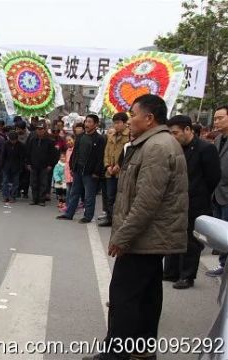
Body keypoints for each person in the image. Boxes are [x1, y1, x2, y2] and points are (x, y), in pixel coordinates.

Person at [84, 94, 188, 360]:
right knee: (147, 296)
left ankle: (115, 353)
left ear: (149, 118)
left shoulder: (156, 147)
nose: (129, 119)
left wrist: (123, 236)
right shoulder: (154, 143)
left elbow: (146, 202)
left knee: (124, 296)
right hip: (151, 237)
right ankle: (142, 350)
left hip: (144, 238)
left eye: (133, 114)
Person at [163, 115, 220, 289]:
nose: (173, 137)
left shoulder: (205, 149)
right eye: (170, 133)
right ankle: (171, 272)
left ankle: (187, 276)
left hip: (196, 202)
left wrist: (198, 193)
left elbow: (213, 177)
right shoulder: (174, 148)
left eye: (176, 133)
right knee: (172, 236)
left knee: (190, 241)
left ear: (188, 130)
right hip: (174, 201)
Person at [58, 114, 105, 223]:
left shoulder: (99, 139)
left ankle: (87, 216)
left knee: (89, 195)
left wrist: (96, 172)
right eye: (86, 122)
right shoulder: (80, 137)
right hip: (78, 170)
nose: (87, 124)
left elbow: (100, 157)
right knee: (74, 193)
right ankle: (69, 214)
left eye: (90, 122)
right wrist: (72, 167)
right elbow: (75, 153)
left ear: (96, 124)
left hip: (90, 172)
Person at [207, 105, 228, 277]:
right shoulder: (219, 138)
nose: (216, 121)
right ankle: (223, 264)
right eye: (215, 118)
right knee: (222, 234)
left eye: (220, 117)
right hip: (217, 193)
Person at [99, 113, 130, 227]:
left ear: (125, 123)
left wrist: (118, 166)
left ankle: (120, 220)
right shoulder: (111, 136)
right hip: (110, 171)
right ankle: (110, 218)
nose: (116, 125)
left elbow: (128, 153)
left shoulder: (129, 136)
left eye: (118, 123)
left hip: (122, 171)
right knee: (109, 196)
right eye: (114, 123)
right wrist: (107, 166)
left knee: (121, 197)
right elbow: (106, 152)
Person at [26, 121, 58, 207]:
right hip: (33, 165)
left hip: (45, 166)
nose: (39, 131)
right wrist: (28, 163)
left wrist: (51, 165)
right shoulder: (32, 140)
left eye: (41, 129)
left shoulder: (50, 141)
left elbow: (54, 155)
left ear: (45, 130)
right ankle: (34, 199)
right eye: (38, 129)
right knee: (34, 182)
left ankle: (42, 200)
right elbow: (28, 152)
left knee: (43, 183)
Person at [0, 130, 25, 204]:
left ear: (17, 139)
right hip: (6, 166)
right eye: (11, 140)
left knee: (15, 183)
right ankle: (5, 196)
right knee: (5, 181)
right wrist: (1, 165)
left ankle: (13, 196)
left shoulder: (21, 145)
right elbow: (3, 155)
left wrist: (21, 167)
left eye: (14, 140)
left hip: (16, 166)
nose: (12, 141)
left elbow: (22, 158)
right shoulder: (5, 144)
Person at [63, 134, 75, 212]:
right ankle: (67, 205)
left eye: (70, 140)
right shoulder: (67, 150)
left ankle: (72, 206)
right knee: (68, 191)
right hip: (67, 174)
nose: (68, 142)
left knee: (73, 192)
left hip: (73, 174)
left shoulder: (75, 150)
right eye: (67, 141)